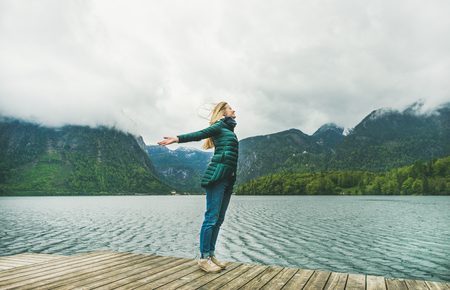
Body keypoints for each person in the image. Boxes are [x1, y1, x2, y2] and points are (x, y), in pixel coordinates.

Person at [157, 102, 238, 273]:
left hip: (228, 179)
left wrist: (218, 160)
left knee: (219, 219)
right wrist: (177, 139)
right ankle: (203, 258)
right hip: (217, 178)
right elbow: (200, 134)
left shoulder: (228, 130)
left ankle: (211, 254)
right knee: (211, 218)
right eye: (231, 108)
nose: (234, 110)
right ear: (223, 112)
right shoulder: (219, 125)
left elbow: (224, 152)